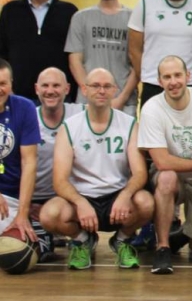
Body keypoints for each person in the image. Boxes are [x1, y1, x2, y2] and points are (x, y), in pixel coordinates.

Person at [39, 68, 154, 270]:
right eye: (95, 86)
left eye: (107, 86)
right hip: (82, 198)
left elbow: (140, 173)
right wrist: (80, 202)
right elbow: (59, 180)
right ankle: (83, 240)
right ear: (84, 89)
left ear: (115, 90)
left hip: (116, 197)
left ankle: (121, 240)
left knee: (146, 203)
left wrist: (125, 195)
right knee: (49, 214)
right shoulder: (70, 127)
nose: (101, 91)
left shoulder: (128, 124)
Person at [137, 55, 192, 274]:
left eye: (177, 75)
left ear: (188, 76)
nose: (173, 81)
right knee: (166, 176)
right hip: (172, 176)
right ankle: (163, 247)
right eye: (167, 77)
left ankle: (182, 234)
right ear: (159, 82)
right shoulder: (152, 108)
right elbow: (161, 160)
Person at [66, 0, 138, 115]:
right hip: (87, 102)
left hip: (123, 102)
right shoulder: (80, 17)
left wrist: (122, 98)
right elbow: (75, 61)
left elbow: (138, 65)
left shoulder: (134, 18)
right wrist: (89, 91)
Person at [0, 0, 77, 102]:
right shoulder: (10, 11)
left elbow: (74, 56)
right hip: (17, 96)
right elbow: (2, 53)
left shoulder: (69, 12)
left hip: (58, 98)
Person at [32, 67, 84, 261]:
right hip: (33, 198)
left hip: (68, 196)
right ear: (36, 89)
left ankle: (82, 236)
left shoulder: (80, 113)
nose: (50, 90)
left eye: (56, 85)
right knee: (31, 253)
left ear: (67, 89)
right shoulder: (28, 117)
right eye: (45, 85)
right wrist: (25, 204)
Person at [0, 59, 40, 246]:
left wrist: (22, 214)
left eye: (3, 84)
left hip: (11, 198)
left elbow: (29, 163)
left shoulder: (25, 108)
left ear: (11, 84)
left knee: (17, 252)